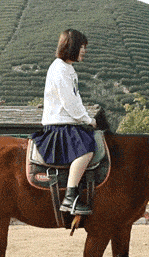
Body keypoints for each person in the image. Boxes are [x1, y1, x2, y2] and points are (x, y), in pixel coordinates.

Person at [30, 29, 98, 215]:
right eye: (82, 47)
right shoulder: (60, 69)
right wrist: (87, 119)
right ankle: (70, 197)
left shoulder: (68, 69)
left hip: (68, 123)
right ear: (72, 46)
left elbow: (76, 100)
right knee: (86, 150)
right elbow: (69, 102)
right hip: (60, 126)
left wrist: (85, 117)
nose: (84, 51)